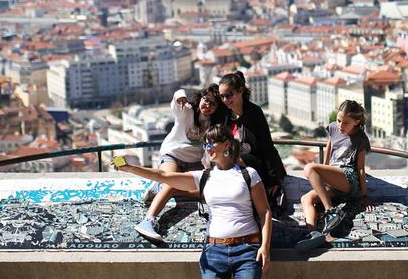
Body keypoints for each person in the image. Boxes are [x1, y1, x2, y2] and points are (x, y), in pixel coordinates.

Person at [116, 125, 272, 278]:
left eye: (212, 143)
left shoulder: (248, 174)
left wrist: (265, 246)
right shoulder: (204, 176)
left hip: (247, 249)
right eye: (205, 144)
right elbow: (163, 177)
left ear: (227, 144)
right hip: (214, 250)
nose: (208, 148)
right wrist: (129, 168)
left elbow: (264, 211)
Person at [135, 85, 228, 241]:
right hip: (173, 154)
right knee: (171, 181)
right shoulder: (188, 111)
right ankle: (148, 221)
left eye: (213, 104)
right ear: (201, 97)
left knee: (207, 192)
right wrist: (180, 96)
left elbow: (207, 150)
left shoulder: (213, 124)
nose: (208, 106)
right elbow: (177, 101)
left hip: (193, 163)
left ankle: (160, 187)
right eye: (206, 100)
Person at [295, 100, 372, 251]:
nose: (340, 126)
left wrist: (364, 195)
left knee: (310, 168)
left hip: (348, 178)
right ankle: (313, 234)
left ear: (356, 122)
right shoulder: (333, 128)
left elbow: (361, 169)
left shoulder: (361, 139)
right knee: (306, 198)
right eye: (338, 120)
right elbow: (329, 146)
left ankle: (330, 211)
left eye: (345, 123)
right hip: (334, 180)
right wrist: (324, 169)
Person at [218, 71, 286, 209]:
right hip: (233, 168)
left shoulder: (254, 113)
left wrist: (272, 179)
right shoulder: (225, 114)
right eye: (222, 96)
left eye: (228, 95)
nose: (225, 100)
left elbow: (266, 146)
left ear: (241, 91)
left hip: (254, 164)